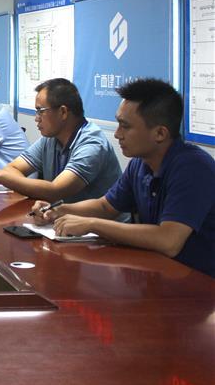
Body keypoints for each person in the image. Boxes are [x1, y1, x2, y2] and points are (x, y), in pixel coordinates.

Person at [31, 79, 215, 278]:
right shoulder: (140, 164)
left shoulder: (193, 168)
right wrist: (57, 210)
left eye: (125, 126)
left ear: (160, 133)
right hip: (159, 273)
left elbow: (169, 241)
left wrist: (92, 224)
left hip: (199, 283)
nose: (117, 134)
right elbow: (105, 206)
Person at [0, 78, 121, 203]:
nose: (36, 118)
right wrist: (35, 188)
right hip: (61, 218)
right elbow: (12, 168)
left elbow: (56, 191)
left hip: (100, 228)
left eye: (40, 111)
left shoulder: (92, 144)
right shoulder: (50, 139)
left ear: (63, 112)